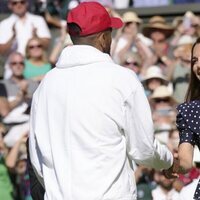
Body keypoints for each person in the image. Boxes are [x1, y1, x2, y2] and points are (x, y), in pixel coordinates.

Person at [29, 2, 177, 200]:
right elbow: (144, 149)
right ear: (103, 38)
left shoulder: (45, 85)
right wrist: (168, 161)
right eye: (110, 33)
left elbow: (37, 158)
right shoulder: (122, 79)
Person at [164, 37, 200, 200]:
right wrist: (173, 166)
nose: (198, 66)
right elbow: (186, 161)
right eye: (194, 60)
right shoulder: (190, 111)